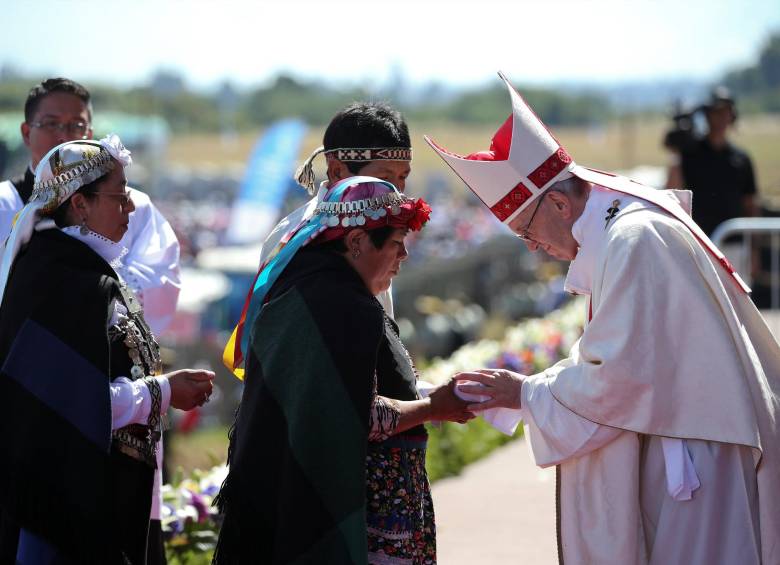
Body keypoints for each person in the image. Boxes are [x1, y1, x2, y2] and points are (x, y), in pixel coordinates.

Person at [426, 73, 780, 565]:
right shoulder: (623, 230)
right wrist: (529, 391)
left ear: (557, 201)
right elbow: (618, 358)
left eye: (528, 231)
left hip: (697, 460)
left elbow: (619, 379)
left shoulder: (633, 240)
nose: (534, 249)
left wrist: (526, 393)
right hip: (690, 442)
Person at [214, 177, 473, 565]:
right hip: (348, 520)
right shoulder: (343, 307)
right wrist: (435, 407)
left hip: (291, 504)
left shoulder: (303, 291)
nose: (403, 259)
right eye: (396, 246)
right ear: (356, 243)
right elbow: (357, 415)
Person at [0, 137, 213, 564]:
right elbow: (69, 406)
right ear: (79, 204)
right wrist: (164, 392)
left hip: (103, 492)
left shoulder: (83, 272)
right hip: (67, 510)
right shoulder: (61, 284)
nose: (131, 209)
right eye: (120, 197)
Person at [0, 78, 181, 335]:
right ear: (27, 133)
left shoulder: (134, 205)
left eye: (77, 124)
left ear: (89, 134)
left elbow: (160, 283)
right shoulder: (3, 203)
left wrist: (94, 293)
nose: (64, 135)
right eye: (51, 124)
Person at [251, 101, 411, 323]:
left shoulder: (378, 231)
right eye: (383, 179)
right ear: (337, 171)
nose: (396, 192)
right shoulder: (291, 241)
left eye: (403, 177)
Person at [665, 86, 758, 236]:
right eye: (716, 112)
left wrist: (754, 248)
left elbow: (750, 205)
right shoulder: (690, 155)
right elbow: (671, 193)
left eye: (726, 112)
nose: (721, 118)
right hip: (700, 243)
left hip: (734, 242)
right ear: (707, 115)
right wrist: (677, 153)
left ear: (732, 116)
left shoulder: (741, 159)